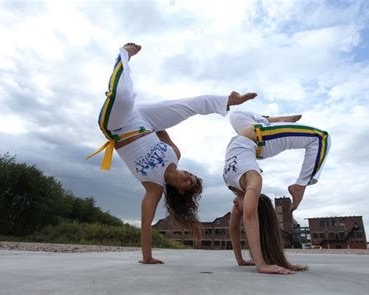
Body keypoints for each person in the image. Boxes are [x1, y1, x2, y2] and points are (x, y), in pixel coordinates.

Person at [87, 43, 256, 264]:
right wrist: (162, 115)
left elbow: (146, 224)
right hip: (143, 120)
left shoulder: (153, 187)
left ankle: (124, 55)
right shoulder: (175, 154)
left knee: (124, 96)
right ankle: (227, 100)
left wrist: (147, 257)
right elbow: (162, 128)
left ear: (181, 191)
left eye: (189, 182)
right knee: (185, 107)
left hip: (117, 126)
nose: (188, 176)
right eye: (192, 175)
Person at [223, 110, 330, 274]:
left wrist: (240, 260)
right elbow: (249, 216)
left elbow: (233, 227)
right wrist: (261, 265)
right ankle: (301, 184)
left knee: (235, 115)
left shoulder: (238, 190)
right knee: (321, 137)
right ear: (254, 202)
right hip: (262, 138)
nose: (235, 208)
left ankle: (275, 120)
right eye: (241, 210)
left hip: (251, 139)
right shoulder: (254, 180)